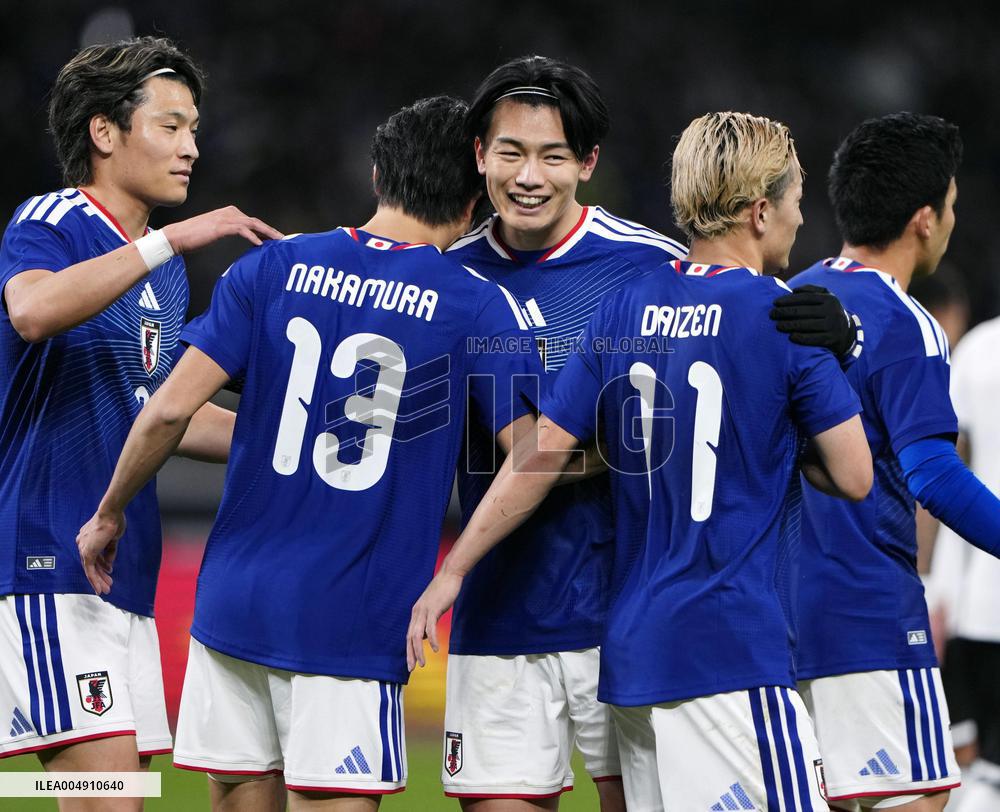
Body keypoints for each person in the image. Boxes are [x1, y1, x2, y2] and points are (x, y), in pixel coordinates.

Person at [76, 95, 542, 811]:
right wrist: (455, 571)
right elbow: (533, 457)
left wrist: (110, 511)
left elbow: (169, 406)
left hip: (231, 606)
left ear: (379, 172)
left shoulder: (272, 266)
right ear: (476, 199)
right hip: (350, 623)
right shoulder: (475, 306)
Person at [410, 111, 873, 811]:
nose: (799, 220)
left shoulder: (624, 306)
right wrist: (836, 363)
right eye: (796, 202)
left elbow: (536, 461)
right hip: (732, 646)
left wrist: (452, 572)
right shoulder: (785, 319)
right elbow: (855, 476)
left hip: (631, 653)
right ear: (758, 210)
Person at [0, 35, 279, 790]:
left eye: (193, 128)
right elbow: (31, 311)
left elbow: (163, 414)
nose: (192, 147)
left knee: (115, 796)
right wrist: (171, 242)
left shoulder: (164, 273)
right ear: (104, 131)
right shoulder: (52, 219)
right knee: (104, 802)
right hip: (49, 558)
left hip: (124, 571)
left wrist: (291, 433)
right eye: (171, 125)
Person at [442, 55, 686, 810]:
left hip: (624, 613)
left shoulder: (653, 269)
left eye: (552, 155)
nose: (528, 175)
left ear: (587, 161)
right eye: (509, 151)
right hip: (497, 613)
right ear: (479, 154)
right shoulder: (448, 279)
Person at [785, 112, 1000, 812]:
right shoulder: (909, 325)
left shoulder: (792, 297)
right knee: (917, 799)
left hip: (778, 610)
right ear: (923, 220)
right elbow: (935, 477)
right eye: (953, 205)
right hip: (867, 612)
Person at [925, 314, 1000, 811]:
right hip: (979, 597)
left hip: (981, 600)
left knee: (979, 766)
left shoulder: (977, 347)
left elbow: (950, 470)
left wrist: (940, 586)